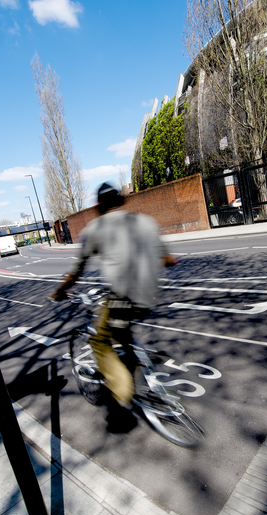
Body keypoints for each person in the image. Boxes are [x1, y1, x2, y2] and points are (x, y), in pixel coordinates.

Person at [52, 182, 176, 428]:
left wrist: (61, 290)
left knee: (99, 340)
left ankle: (123, 393)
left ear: (99, 206)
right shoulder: (145, 222)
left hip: (122, 299)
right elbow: (168, 259)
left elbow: (77, 269)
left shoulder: (95, 228)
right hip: (148, 296)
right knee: (121, 333)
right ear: (119, 201)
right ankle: (134, 365)